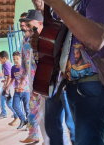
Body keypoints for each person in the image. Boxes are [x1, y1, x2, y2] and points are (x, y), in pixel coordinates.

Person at [31, 0, 104, 144]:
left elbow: (96, 39)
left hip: (93, 83)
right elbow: (68, 39)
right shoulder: (76, 2)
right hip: (77, 84)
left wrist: (58, 4)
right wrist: (44, 40)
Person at [23, 9, 74, 145]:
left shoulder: (57, 32)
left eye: (30, 25)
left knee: (72, 126)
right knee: (51, 126)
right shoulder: (32, 42)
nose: (28, 29)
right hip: (50, 88)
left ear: (40, 23)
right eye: (27, 26)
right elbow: (34, 66)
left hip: (65, 86)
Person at [18, 12, 42, 144]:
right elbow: (23, 63)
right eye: (24, 24)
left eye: (27, 24)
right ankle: (33, 135)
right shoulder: (25, 42)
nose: (25, 26)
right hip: (33, 83)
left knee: (47, 113)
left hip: (46, 81)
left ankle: (48, 138)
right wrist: (21, 80)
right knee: (32, 109)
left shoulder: (43, 38)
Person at [6, 51, 30, 129]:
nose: (15, 60)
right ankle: (23, 120)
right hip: (17, 91)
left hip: (25, 91)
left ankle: (29, 124)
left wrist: (22, 85)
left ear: (21, 59)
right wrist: (8, 87)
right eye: (14, 59)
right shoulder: (13, 68)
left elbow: (27, 78)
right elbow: (13, 79)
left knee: (27, 108)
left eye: (17, 58)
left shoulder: (24, 67)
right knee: (15, 105)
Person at [0, 51, 18, 123]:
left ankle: (8, 113)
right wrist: (5, 82)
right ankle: (15, 113)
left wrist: (6, 86)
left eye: (0, 59)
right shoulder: (7, 64)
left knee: (6, 101)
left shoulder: (5, 64)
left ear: (4, 58)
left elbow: (9, 76)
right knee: (8, 102)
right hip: (10, 85)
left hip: (10, 86)